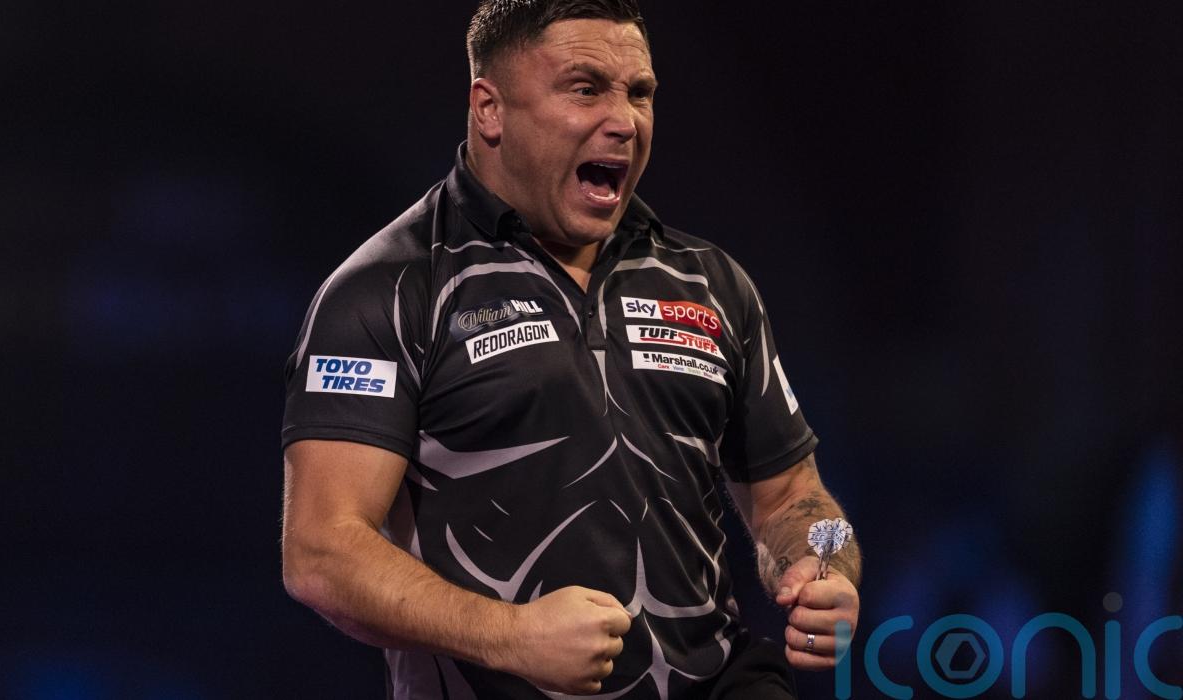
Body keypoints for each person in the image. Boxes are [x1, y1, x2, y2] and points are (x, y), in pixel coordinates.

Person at [280, 1, 861, 697]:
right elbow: (321, 551)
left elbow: (794, 495)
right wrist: (510, 634)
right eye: (585, 89)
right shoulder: (389, 289)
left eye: (639, 92)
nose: (625, 121)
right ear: (490, 110)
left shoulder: (709, 282)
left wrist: (824, 567)